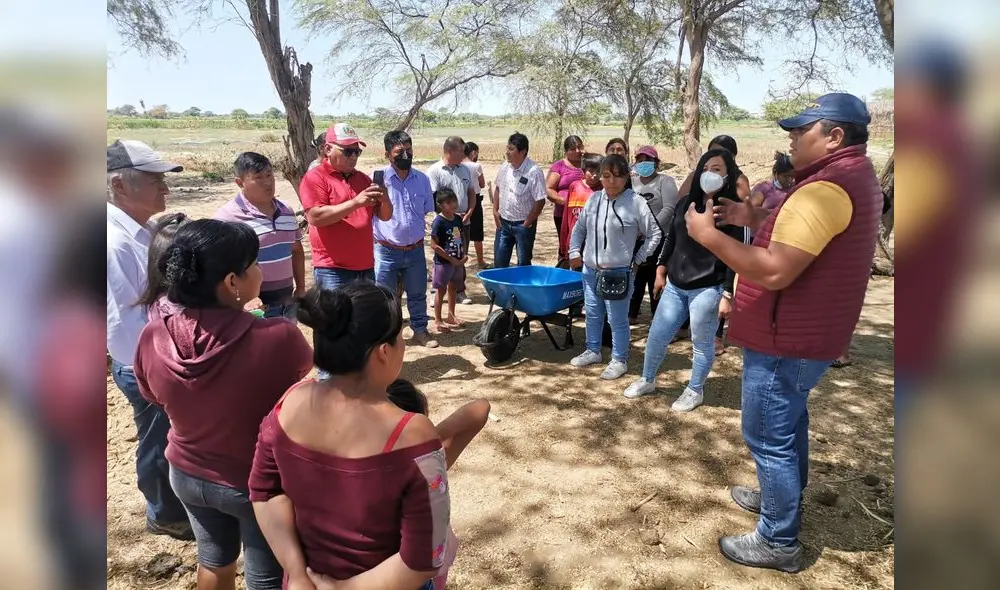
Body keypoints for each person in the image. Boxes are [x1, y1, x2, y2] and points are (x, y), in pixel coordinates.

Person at [688, 93, 882, 572]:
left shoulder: (825, 189)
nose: (791, 139)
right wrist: (749, 218)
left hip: (786, 338)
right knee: (789, 423)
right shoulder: (849, 178)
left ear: (835, 136)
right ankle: (781, 500)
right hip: (805, 334)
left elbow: (775, 271)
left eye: (803, 131)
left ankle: (778, 540)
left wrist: (709, 236)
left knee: (768, 434)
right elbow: (809, 241)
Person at [134, 219, 314, 590]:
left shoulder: (153, 333)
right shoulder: (278, 336)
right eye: (255, 263)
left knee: (214, 562)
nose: (260, 271)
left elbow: (151, 395)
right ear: (233, 282)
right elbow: (301, 387)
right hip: (255, 484)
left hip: (187, 473)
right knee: (267, 577)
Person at [249, 283, 451, 590]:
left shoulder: (289, 402)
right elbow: (425, 559)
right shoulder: (413, 434)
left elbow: (263, 492)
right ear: (384, 352)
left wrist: (298, 573)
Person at [105, 139, 192, 540]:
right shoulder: (114, 241)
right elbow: (129, 316)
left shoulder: (139, 231)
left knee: (166, 432)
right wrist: (160, 363)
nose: (166, 189)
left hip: (152, 356)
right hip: (142, 362)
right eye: (155, 180)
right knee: (157, 438)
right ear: (120, 186)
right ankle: (162, 512)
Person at [622, 148, 745, 410]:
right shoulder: (685, 202)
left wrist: (726, 294)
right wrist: (661, 268)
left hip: (708, 288)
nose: (709, 174)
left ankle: (695, 389)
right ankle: (647, 379)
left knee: (700, 343)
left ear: (728, 175)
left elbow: (735, 257)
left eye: (717, 169)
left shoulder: (732, 212)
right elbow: (672, 238)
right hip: (676, 285)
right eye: (705, 168)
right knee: (657, 334)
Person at [383, 379, 490, 590]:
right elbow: (481, 407)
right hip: (421, 576)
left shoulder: (361, 469)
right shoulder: (425, 465)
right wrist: (422, 442)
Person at [568, 154, 662, 380]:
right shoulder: (594, 200)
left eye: (618, 176)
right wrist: (574, 251)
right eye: (607, 175)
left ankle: (619, 359)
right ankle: (593, 350)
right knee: (592, 313)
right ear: (600, 177)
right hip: (590, 270)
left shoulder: (636, 202)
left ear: (627, 177)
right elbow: (580, 229)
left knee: (617, 319)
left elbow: (655, 234)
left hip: (618, 272)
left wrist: (638, 259)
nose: (612, 181)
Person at [299, 123, 393, 291]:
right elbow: (315, 217)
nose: (353, 157)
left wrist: (385, 200)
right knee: (336, 317)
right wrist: (356, 202)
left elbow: (385, 216)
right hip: (332, 269)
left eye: (357, 152)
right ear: (328, 149)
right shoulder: (315, 177)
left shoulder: (364, 180)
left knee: (364, 317)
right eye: (347, 151)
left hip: (365, 268)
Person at [214, 152, 306, 321]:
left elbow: (296, 251)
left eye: (269, 175)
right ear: (240, 183)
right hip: (254, 309)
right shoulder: (228, 218)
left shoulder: (286, 211)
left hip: (288, 304)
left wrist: (300, 287)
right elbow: (220, 267)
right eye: (258, 177)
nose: (267, 182)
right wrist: (242, 301)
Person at [373, 130, 439, 348]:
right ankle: (388, 338)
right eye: (400, 152)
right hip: (386, 251)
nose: (406, 155)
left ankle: (420, 331)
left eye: (409, 150)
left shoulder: (422, 180)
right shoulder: (379, 181)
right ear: (387, 154)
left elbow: (427, 212)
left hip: (415, 250)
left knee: (418, 293)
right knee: (385, 299)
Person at [628, 145, 679, 324]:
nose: (643, 164)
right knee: (635, 277)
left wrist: (650, 229)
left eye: (647, 160)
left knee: (655, 277)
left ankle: (657, 319)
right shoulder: (632, 183)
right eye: (640, 161)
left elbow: (669, 208)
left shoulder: (665, 181)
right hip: (635, 238)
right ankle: (631, 315)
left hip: (661, 237)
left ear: (656, 163)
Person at [427, 136, 478, 304]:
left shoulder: (465, 169)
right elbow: (433, 199)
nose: (464, 154)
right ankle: (438, 291)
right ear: (451, 150)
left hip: (462, 223)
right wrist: (449, 216)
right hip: (444, 224)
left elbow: (471, 192)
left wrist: (470, 211)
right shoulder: (435, 171)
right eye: (462, 151)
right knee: (442, 256)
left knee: (459, 253)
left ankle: (459, 291)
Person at [492, 132, 547, 268]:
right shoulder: (505, 167)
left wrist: (527, 223)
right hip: (503, 223)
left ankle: (522, 289)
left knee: (523, 263)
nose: (507, 152)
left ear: (523, 151)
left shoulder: (534, 171)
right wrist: (495, 210)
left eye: (511, 149)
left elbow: (540, 200)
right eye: (507, 148)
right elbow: (498, 188)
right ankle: (501, 289)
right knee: (499, 262)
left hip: (523, 226)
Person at [430, 188, 469, 333]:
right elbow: (434, 245)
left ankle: (451, 315)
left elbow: (461, 237)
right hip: (444, 263)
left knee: (453, 288)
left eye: (454, 201)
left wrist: (463, 254)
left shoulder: (458, 219)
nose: (453, 204)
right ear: (440, 205)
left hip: (458, 262)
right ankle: (438, 319)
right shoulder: (438, 222)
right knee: (441, 290)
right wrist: (450, 259)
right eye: (448, 202)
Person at [545, 136, 585, 266]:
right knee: (565, 244)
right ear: (566, 151)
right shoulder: (559, 166)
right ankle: (563, 272)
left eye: (580, 147)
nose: (578, 151)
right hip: (563, 215)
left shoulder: (588, 164)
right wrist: (566, 203)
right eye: (573, 149)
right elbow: (549, 189)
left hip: (585, 214)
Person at [559, 153, 603, 261]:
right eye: (591, 171)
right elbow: (566, 217)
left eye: (598, 172)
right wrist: (564, 244)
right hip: (575, 240)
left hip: (595, 242)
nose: (594, 175)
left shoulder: (603, 189)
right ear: (583, 170)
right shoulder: (574, 186)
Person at [677, 134, 751, 199]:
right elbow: (680, 201)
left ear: (733, 156)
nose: (716, 156)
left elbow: (746, 208)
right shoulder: (694, 176)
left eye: (722, 153)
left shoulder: (739, 180)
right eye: (712, 152)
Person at [462, 141, 490, 269]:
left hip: (462, 201)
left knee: (460, 231)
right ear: (473, 152)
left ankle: (460, 259)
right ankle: (480, 261)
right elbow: (482, 184)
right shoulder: (476, 166)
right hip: (476, 200)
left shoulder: (458, 165)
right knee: (477, 232)